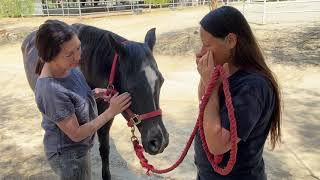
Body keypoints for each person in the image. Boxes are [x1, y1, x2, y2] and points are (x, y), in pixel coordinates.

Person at [34, 19, 131, 180]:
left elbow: (72, 99)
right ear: (51, 56)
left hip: (79, 150)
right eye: (69, 54)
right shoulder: (50, 90)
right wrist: (110, 112)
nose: (78, 57)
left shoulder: (68, 67)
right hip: (69, 157)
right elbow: (77, 134)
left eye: (78, 47)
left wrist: (94, 94)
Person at [195, 6, 281, 180]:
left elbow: (217, 145)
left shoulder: (253, 87)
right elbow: (203, 102)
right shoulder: (226, 70)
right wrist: (207, 79)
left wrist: (211, 90)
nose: (201, 52)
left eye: (207, 45)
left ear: (231, 41)